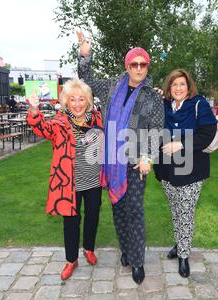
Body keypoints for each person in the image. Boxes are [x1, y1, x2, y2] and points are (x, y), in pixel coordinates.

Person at [77, 31, 164, 285]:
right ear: (127, 66)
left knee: (134, 211)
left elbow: (157, 128)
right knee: (118, 210)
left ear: (147, 66)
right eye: (134, 64)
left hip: (136, 161)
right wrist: (85, 54)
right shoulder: (113, 85)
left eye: (143, 64)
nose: (139, 68)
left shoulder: (152, 95)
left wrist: (148, 156)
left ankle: (137, 261)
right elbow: (87, 78)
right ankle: (125, 250)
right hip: (112, 160)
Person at [27, 79, 103, 281]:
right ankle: (71, 260)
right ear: (66, 102)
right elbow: (41, 127)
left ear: (87, 101)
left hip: (94, 180)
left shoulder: (97, 119)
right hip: (70, 183)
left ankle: (88, 248)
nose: (77, 104)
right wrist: (34, 110)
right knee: (71, 221)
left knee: (93, 216)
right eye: (72, 100)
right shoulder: (59, 122)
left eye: (81, 99)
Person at [154, 69, 218, 278]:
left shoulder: (199, 104)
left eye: (182, 84)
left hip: (192, 170)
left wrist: (180, 144)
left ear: (189, 86)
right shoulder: (163, 104)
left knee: (186, 212)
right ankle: (180, 243)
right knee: (175, 210)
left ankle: (183, 255)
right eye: (174, 85)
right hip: (166, 169)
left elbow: (207, 135)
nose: (178, 88)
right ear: (168, 88)